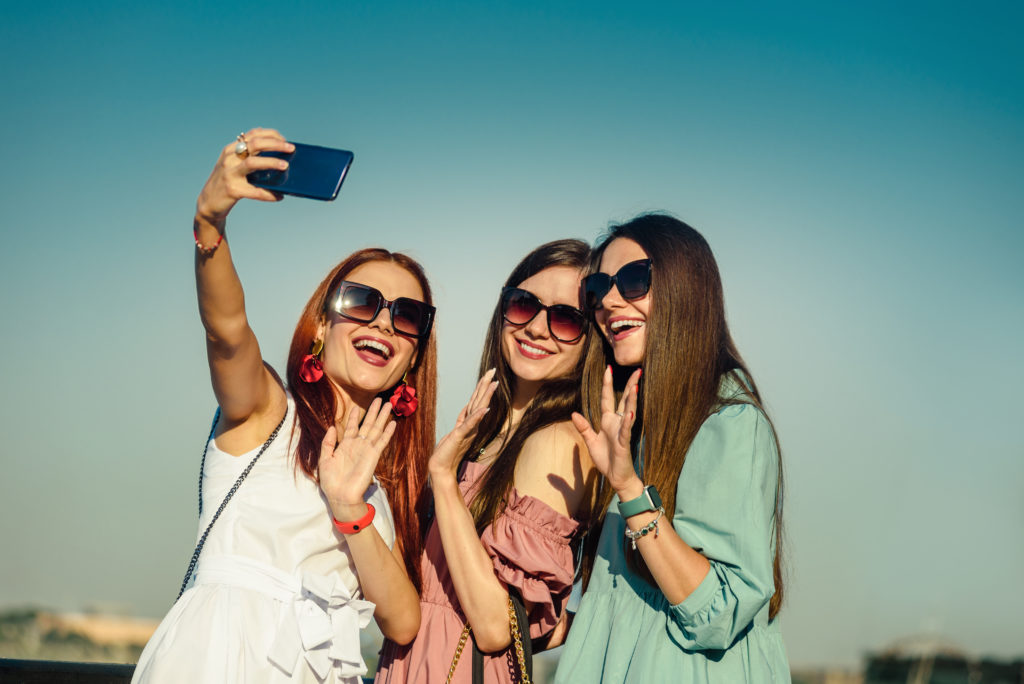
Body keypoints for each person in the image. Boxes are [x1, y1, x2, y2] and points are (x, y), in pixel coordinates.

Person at [133, 128, 434, 683]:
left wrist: (350, 508)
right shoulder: (269, 411)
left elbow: (402, 620)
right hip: (221, 660)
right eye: (362, 303)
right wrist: (209, 224)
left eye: (407, 316)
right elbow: (226, 330)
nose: (384, 323)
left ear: (414, 355)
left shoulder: (377, 488)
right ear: (322, 323)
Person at [554, 214, 790, 683]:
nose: (610, 301)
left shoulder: (728, 421)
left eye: (634, 280)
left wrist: (629, 490)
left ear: (687, 288)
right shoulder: (634, 427)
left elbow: (720, 610)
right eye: (599, 287)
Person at [376, 239, 598, 683]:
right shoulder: (485, 432)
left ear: (591, 340)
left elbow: (497, 626)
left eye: (565, 320)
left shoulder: (557, 441)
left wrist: (441, 477)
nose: (536, 328)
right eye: (523, 305)